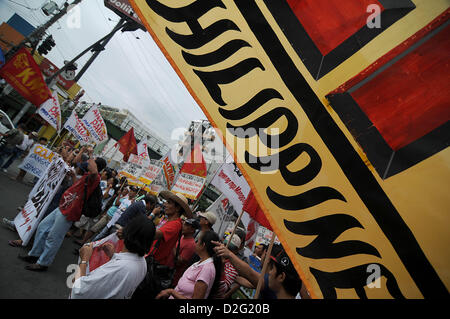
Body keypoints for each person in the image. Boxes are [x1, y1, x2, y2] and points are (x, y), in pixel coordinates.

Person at [17, 148, 106, 271]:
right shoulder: (87, 176)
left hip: (70, 211)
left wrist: (90, 153)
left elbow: (94, 171)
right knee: (43, 227)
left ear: (96, 165)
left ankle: (43, 263)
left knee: (54, 237)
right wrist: (74, 176)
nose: (90, 162)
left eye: (93, 161)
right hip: (63, 206)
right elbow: (78, 187)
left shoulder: (95, 178)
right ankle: (34, 254)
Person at [70, 214, 155, 299]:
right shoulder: (142, 263)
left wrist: (84, 260)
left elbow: (78, 291)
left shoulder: (121, 268)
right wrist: (113, 256)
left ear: (128, 233)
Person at [213, 241, 310, 299]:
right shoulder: (271, 283)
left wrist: (230, 255)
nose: (270, 272)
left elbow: (250, 274)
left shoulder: (271, 286)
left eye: (273, 269)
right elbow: (250, 279)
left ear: (281, 277)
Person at [156, 230, 223, 299]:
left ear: (203, 245)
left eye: (197, 241)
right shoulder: (200, 263)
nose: (195, 243)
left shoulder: (207, 269)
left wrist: (172, 292)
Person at [171, 218, 199, 287]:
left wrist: (172, 244)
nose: (183, 226)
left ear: (192, 230)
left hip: (172, 278)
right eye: (184, 224)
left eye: (186, 225)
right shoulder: (182, 236)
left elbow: (179, 262)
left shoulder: (191, 244)